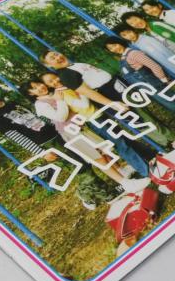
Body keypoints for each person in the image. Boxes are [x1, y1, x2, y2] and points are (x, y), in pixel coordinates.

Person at [0, 85, 118, 210]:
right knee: (78, 167)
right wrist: (41, 152)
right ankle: (107, 194)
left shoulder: (12, 103)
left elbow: (37, 116)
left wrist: (57, 125)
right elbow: (15, 136)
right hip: (45, 144)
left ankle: (85, 193)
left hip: (58, 133)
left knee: (84, 160)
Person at [39, 50, 175, 141]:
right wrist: (112, 104)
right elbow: (87, 92)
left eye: (56, 54)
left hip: (118, 87)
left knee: (146, 114)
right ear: (50, 66)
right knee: (141, 120)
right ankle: (173, 142)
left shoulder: (75, 65)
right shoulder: (66, 75)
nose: (57, 58)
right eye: (52, 59)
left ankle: (174, 137)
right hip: (109, 96)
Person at [21, 80, 151, 195]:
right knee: (98, 158)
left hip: (82, 126)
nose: (40, 88)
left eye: (38, 84)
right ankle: (126, 183)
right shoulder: (40, 105)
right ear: (31, 94)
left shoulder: (54, 93)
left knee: (103, 152)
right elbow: (60, 117)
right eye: (34, 88)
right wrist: (59, 100)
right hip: (71, 132)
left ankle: (122, 172)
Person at [39, 72, 156, 178]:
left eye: (55, 77)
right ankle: (145, 170)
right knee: (120, 144)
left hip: (99, 115)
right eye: (50, 81)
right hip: (93, 120)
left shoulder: (67, 87)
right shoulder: (61, 94)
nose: (55, 81)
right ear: (48, 86)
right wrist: (83, 91)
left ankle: (151, 155)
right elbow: (83, 105)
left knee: (123, 138)